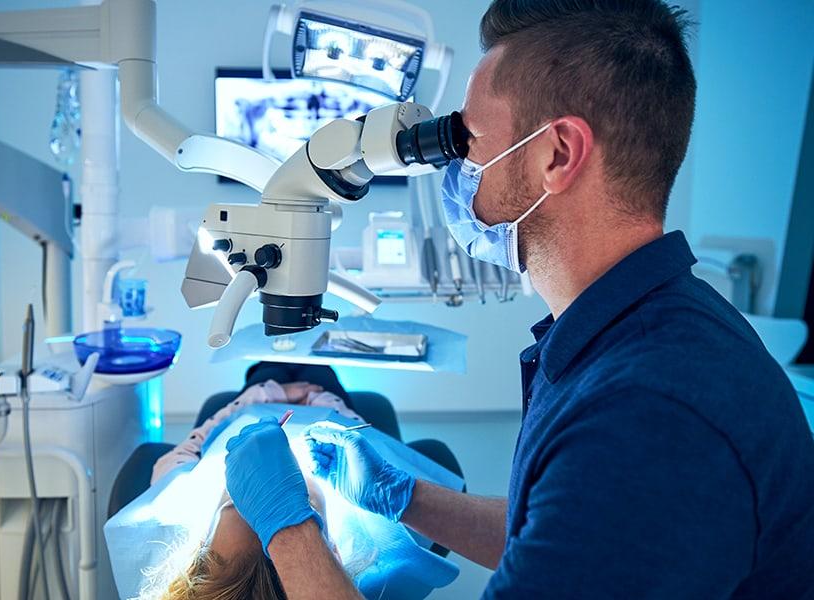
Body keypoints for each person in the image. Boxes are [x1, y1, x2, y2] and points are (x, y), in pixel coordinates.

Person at [221, 1, 814, 598]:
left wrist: (288, 527)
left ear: (557, 154)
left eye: (468, 137)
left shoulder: (648, 417)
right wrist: (410, 497)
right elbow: (566, 538)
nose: (455, 163)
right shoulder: (638, 327)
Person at [106, 362, 464, 600]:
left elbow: (194, 444)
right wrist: (324, 402)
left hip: (251, 403)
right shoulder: (370, 532)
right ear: (333, 553)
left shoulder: (181, 504)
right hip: (326, 402)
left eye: (236, 502)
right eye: (300, 507)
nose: (272, 479)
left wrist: (257, 398)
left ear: (198, 541)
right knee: (320, 367)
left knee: (265, 367)